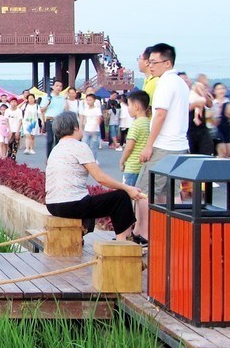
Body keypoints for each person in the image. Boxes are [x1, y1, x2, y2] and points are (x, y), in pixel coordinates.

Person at [46, 111, 146, 243]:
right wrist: (127, 188)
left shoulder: (55, 149)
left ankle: (80, 234)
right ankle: (123, 241)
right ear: (75, 127)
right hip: (71, 205)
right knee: (121, 197)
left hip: (52, 205)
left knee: (89, 199)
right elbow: (100, 178)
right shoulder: (79, 146)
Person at [139, 43, 194, 207]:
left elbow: (160, 115)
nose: (150, 66)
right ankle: (172, 223)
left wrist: (149, 145)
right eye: (149, 62)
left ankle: (142, 225)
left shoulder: (165, 83)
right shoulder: (181, 83)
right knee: (170, 192)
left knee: (144, 191)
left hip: (163, 146)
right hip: (179, 146)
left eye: (154, 62)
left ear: (167, 63)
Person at [118, 90, 151, 188]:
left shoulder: (136, 125)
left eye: (129, 105)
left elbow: (129, 147)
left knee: (128, 193)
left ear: (136, 107)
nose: (128, 108)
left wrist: (122, 161)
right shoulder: (148, 123)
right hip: (142, 166)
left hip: (132, 167)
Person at [42, 80, 68, 157]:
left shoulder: (62, 98)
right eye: (57, 86)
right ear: (53, 87)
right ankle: (49, 157)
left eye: (60, 86)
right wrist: (48, 103)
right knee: (50, 140)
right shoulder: (47, 97)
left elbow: (66, 109)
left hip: (60, 120)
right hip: (50, 120)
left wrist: (66, 99)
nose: (59, 88)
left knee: (58, 140)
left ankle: (57, 157)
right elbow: (42, 110)